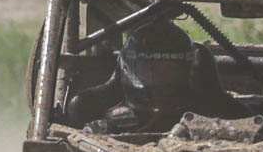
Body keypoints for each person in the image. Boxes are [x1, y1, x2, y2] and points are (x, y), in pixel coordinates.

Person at [64, 18, 242, 133]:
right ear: (127, 69)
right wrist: (105, 127)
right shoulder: (101, 117)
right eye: (150, 69)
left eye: (170, 69)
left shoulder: (216, 113)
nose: (160, 79)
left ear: (190, 70)